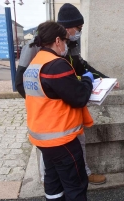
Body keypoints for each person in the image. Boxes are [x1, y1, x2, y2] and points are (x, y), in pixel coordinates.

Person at [15, 3, 107, 185]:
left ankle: (83, 172)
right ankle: (48, 181)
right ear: (66, 29)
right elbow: (20, 81)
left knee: (78, 142)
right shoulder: (36, 45)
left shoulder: (70, 44)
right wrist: (45, 103)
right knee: (50, 157)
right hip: (47, 115)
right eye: (78, 28)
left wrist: (105, 78)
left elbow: (82, 66)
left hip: (69, 108)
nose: (80, 31)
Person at [24, 21, 93, 200]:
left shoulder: (35, 64)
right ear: (57, 40)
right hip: (61, 138)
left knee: (53, 182)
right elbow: (79, 98)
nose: (66, 45)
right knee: (75, 185)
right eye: (65, 41)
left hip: (42, 137)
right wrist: (87, 80)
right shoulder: (56, 65)